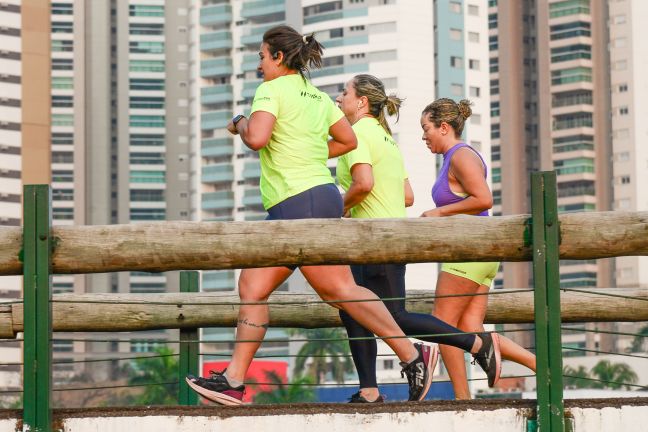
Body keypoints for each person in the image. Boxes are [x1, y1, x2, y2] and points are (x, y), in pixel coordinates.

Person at [186, 25, 435, 406]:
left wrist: (239, 122)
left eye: (261, 57)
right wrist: (312, 152)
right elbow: (347, 140)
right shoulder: (318, 97)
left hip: (297, 203)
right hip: (321, 196)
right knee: (255, 287)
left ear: (279, 58)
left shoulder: (270, 90)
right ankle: (234, 381)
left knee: (339, 291)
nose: (259, 66)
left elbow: (257, 138)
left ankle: (412, 355)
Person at [335, 75, 502, 403]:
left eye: (345, 93)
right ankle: (369, 389)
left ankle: (472, 346)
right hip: (388, 238)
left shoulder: (357, 134)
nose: (339, 99)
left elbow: (364, 184)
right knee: (353, 310)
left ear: (362, 102)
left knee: (387, 315)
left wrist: (335, 209)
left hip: (374, 240)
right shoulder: (386, 139)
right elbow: (407, 196)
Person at [420, 98, 537, 399]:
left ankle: (462, 399)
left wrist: (439, 213)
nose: (424, 137)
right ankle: (539, 364)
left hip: (470, 251)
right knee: (470, 325)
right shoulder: (453, 157)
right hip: (479, 253)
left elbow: (484, 199)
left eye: (426, 129)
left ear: (443, 127)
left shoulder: (461, 155)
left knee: (442, 325)